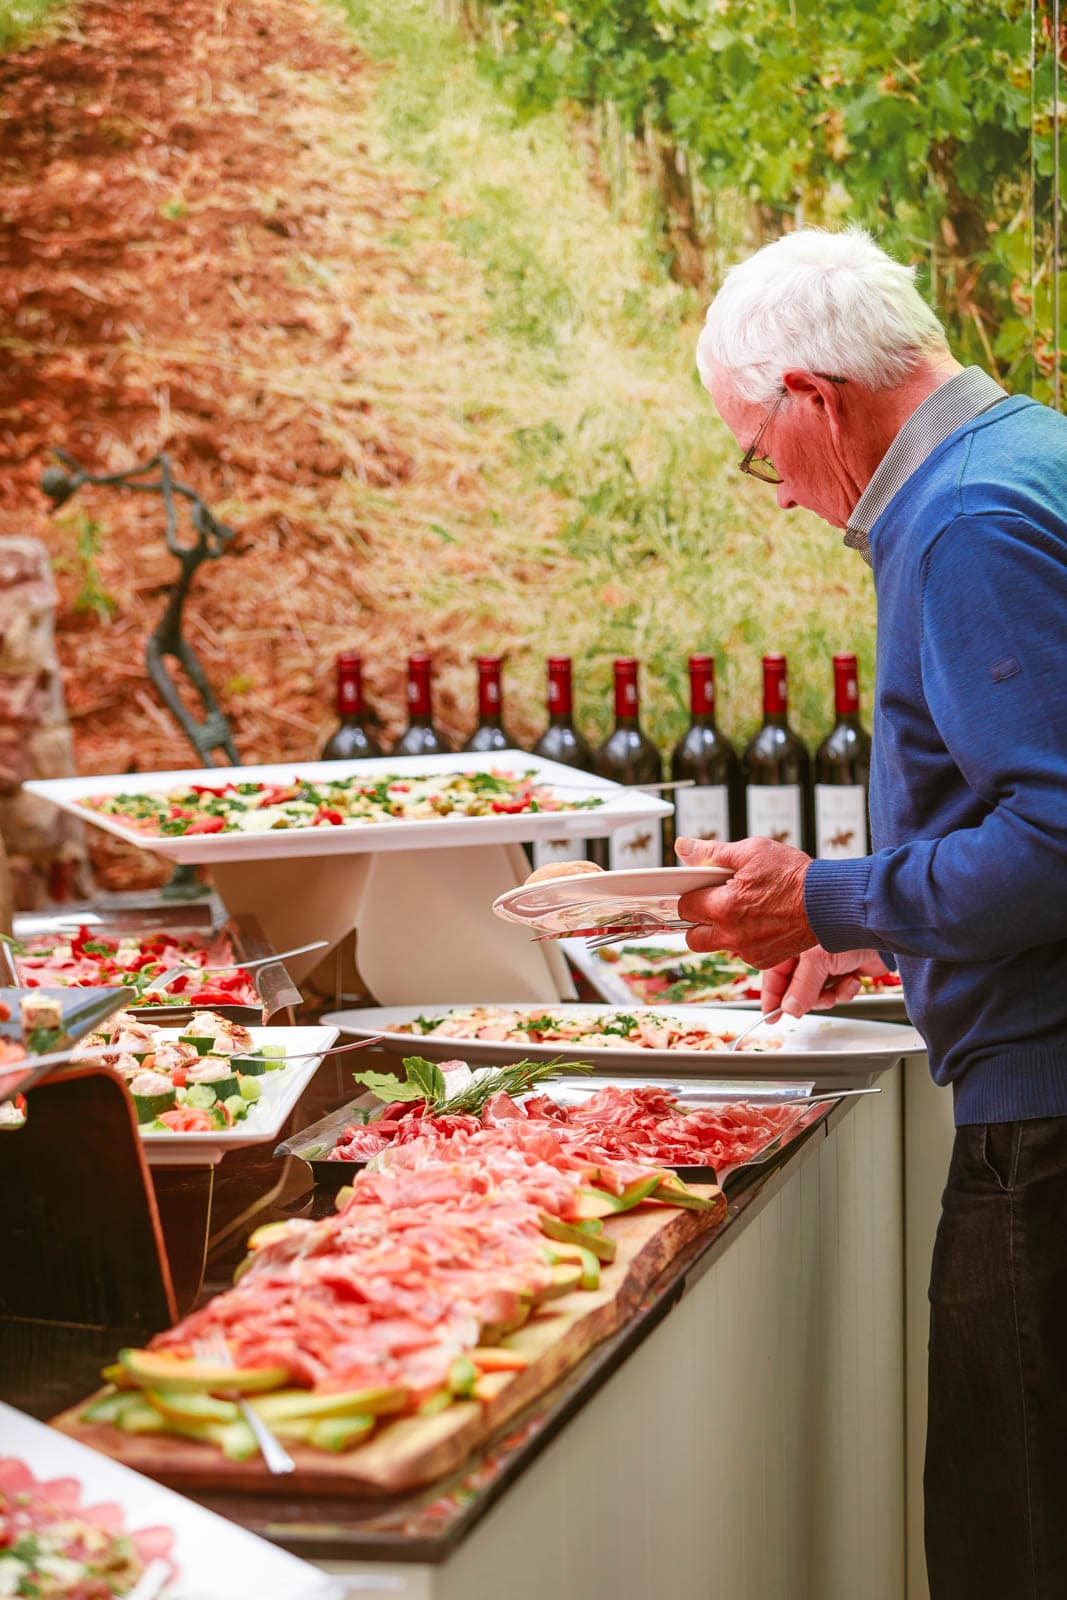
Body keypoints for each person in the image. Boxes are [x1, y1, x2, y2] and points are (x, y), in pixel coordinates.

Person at [675, 226, 1067, 1600]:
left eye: (758, 452)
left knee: (1012, 1544)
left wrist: (824, 896)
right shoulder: (1031, 451)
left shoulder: (962, 521)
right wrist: (880, 926)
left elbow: (1056, 839)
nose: (780, 492)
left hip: (1046, 1125)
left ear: (814, 398)